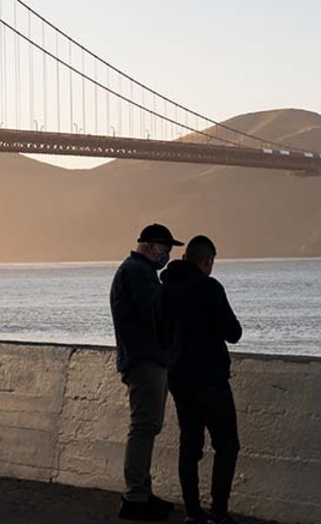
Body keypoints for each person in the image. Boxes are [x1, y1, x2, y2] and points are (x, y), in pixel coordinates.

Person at [156, 235, 242, 524]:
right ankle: (219, 513)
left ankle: (193, 513)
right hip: (211, 378)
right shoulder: (209, 287)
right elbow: (234, 332)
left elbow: (160, 332)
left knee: (189, 446)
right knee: (226, 445)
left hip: (179, 377)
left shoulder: (165, 289)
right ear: (207, 261)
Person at [110, 223, 184, 521]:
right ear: (152, 246)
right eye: (166, 249)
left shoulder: (136, 271)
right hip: (145, 360)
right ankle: (135, 496)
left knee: (146, 425)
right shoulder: (138, 272)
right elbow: (156, 313)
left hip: (143, 358)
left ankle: (142, 491)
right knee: (144, 426)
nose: (167, 254)